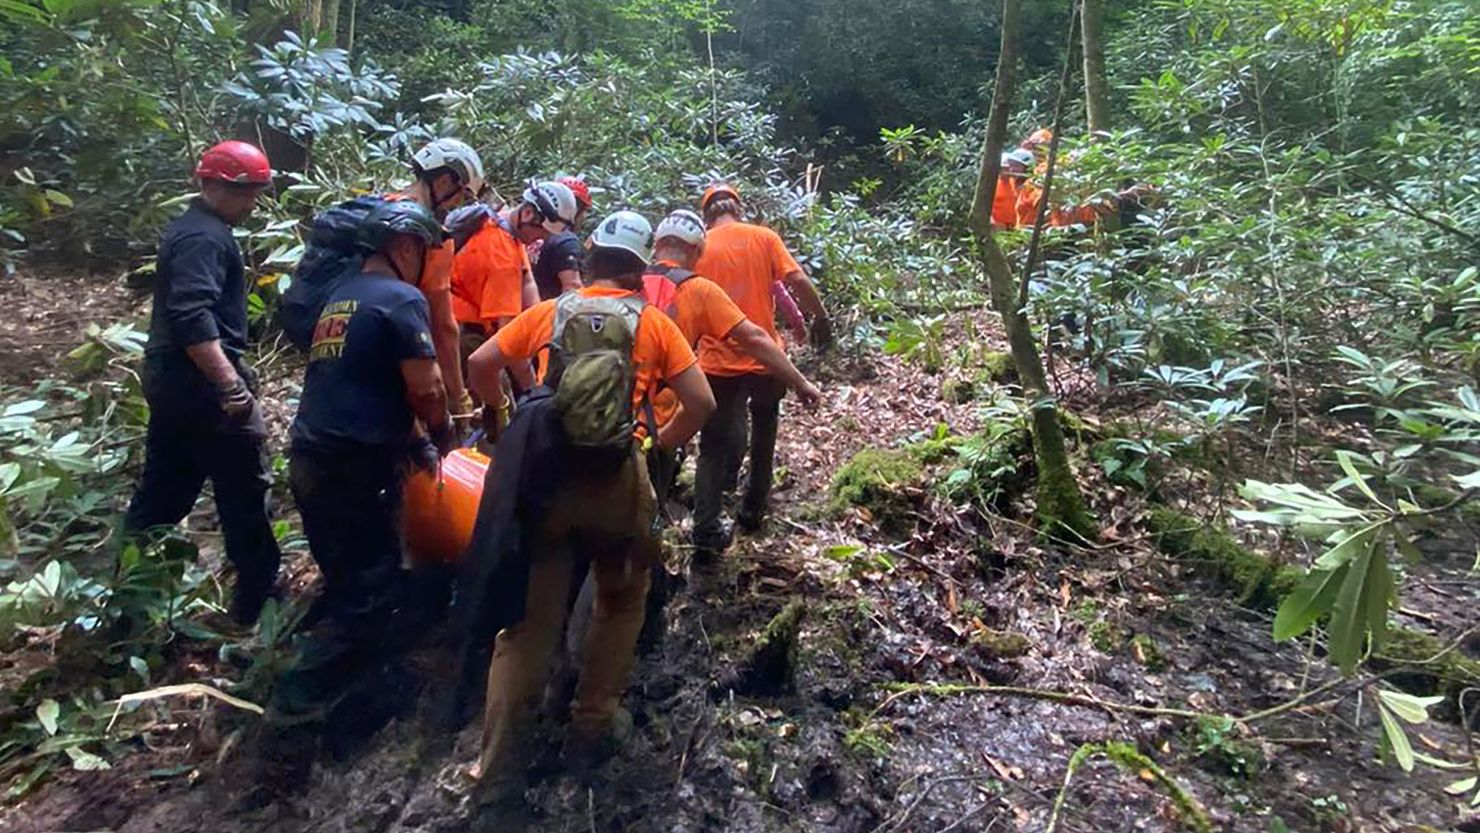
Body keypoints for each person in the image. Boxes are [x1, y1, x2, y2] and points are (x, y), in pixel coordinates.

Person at [464, 210, 715, 804]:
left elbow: (479, 365)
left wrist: (504, 415)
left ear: (594, 256)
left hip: (550, 479)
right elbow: (699, 402)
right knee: (622, 597)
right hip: (617, 478)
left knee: (529, 625)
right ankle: (590, 728)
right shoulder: (653, 323)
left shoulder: (554, 311)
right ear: (637, 269)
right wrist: (655, 443)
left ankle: (497, 765)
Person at [272, 199, 456, 722]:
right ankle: (301, 701)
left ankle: (324, 663)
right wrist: (441, 432)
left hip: (311, 457)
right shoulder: (400, 299)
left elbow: (365, 380)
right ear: (403, 248)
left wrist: (414, 440)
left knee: (347, 573)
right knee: (371, 589)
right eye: (424, 251)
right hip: (355, 466)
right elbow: (427, 386)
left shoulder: (340, 297)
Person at [124, 140, 281, 626]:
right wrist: (230, 385)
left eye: (255, 192)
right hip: (199, 386)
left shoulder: (197, 229)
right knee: (243, 488)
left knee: (165, 489)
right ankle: (256, 603)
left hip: (174, 382)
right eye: (244, 193)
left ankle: (126, 597)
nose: (251, 203)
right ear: (212, 185)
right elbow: (192, 315)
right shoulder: (204, 238)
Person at [690, 183, 831, 558]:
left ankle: (706, 524)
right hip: (766, 357)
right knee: (765, 424)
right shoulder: (764, 237)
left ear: (707, 214)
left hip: (717, 359)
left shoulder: (699, 246)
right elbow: (796, 280)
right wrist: (818, 315)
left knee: (713, 445)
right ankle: (753, 508)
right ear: (739, 207)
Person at [450, 180, 580, 441]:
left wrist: (544, 327)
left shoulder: (498, 224)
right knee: (502, 423)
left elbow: (527, 280)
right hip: (466, 340)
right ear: (528, 213)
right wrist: (534, 390)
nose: (540, 239)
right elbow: (509, 341)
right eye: (540, 232)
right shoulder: (501, 259)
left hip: (464, 328)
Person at [387, 138, 486, 424]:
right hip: (402, 363)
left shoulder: (375, 210)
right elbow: (442, 326)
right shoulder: (435, 238)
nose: (458, 203)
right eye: (462, 194)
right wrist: (458, 397)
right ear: (445, 180)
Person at [529, 176, 592, 301]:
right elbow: (572, 287)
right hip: (550, 312)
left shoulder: (534, 233)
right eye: (584, 211)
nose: (584, 217)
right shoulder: (567, 241)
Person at [992, 148, 1036, 230]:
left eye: (1016, 166)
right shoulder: (1012, 183)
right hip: (1014, 228)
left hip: (1030, 230)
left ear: (1027, 167)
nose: (1011, 169)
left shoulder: (1034, 186)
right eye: (1011, 165)